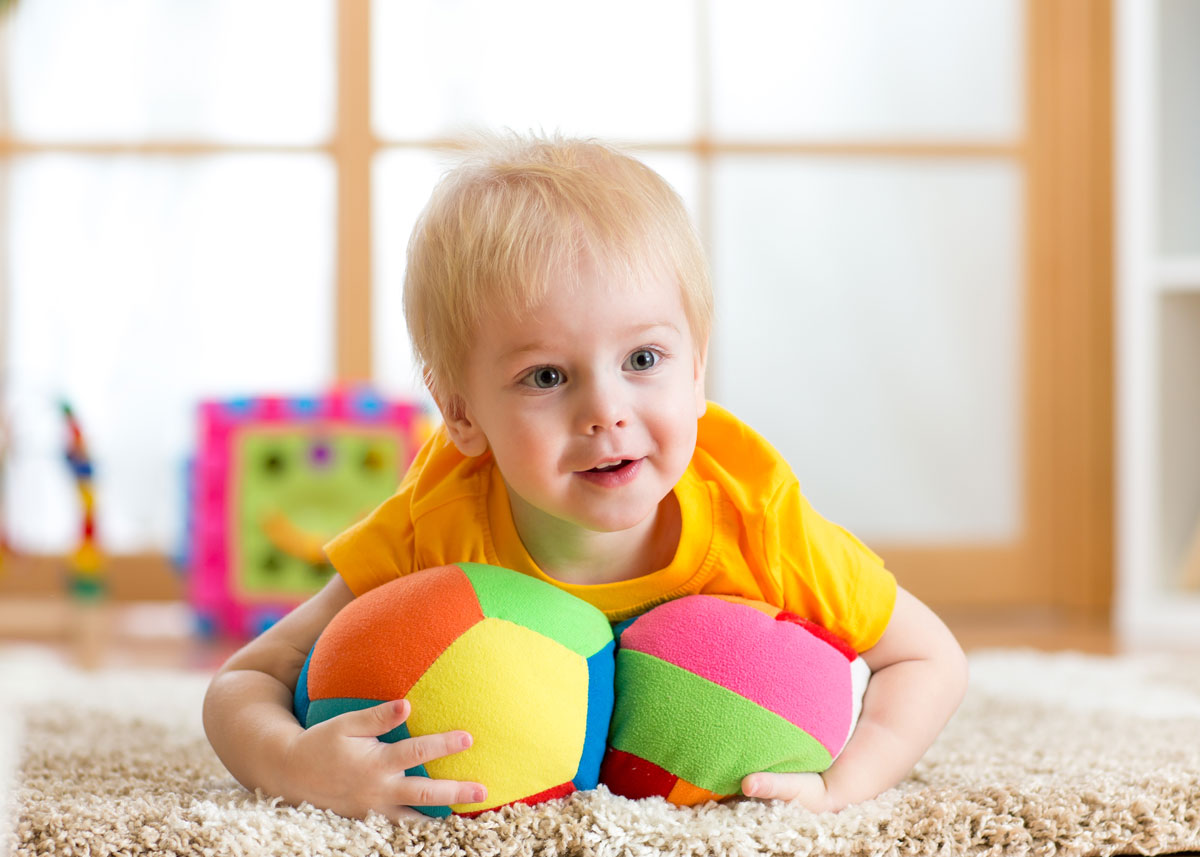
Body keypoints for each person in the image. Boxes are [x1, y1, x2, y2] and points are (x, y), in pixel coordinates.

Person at [203, 133, 968, 823]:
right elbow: (246, 680)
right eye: (545, 375)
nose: (606, 411)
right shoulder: (437, 524)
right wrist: (294, 765)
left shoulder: (756, 518)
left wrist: (845, 787)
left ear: (697, 369)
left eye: (643, 360)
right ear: (462, 413)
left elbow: (927, 657)